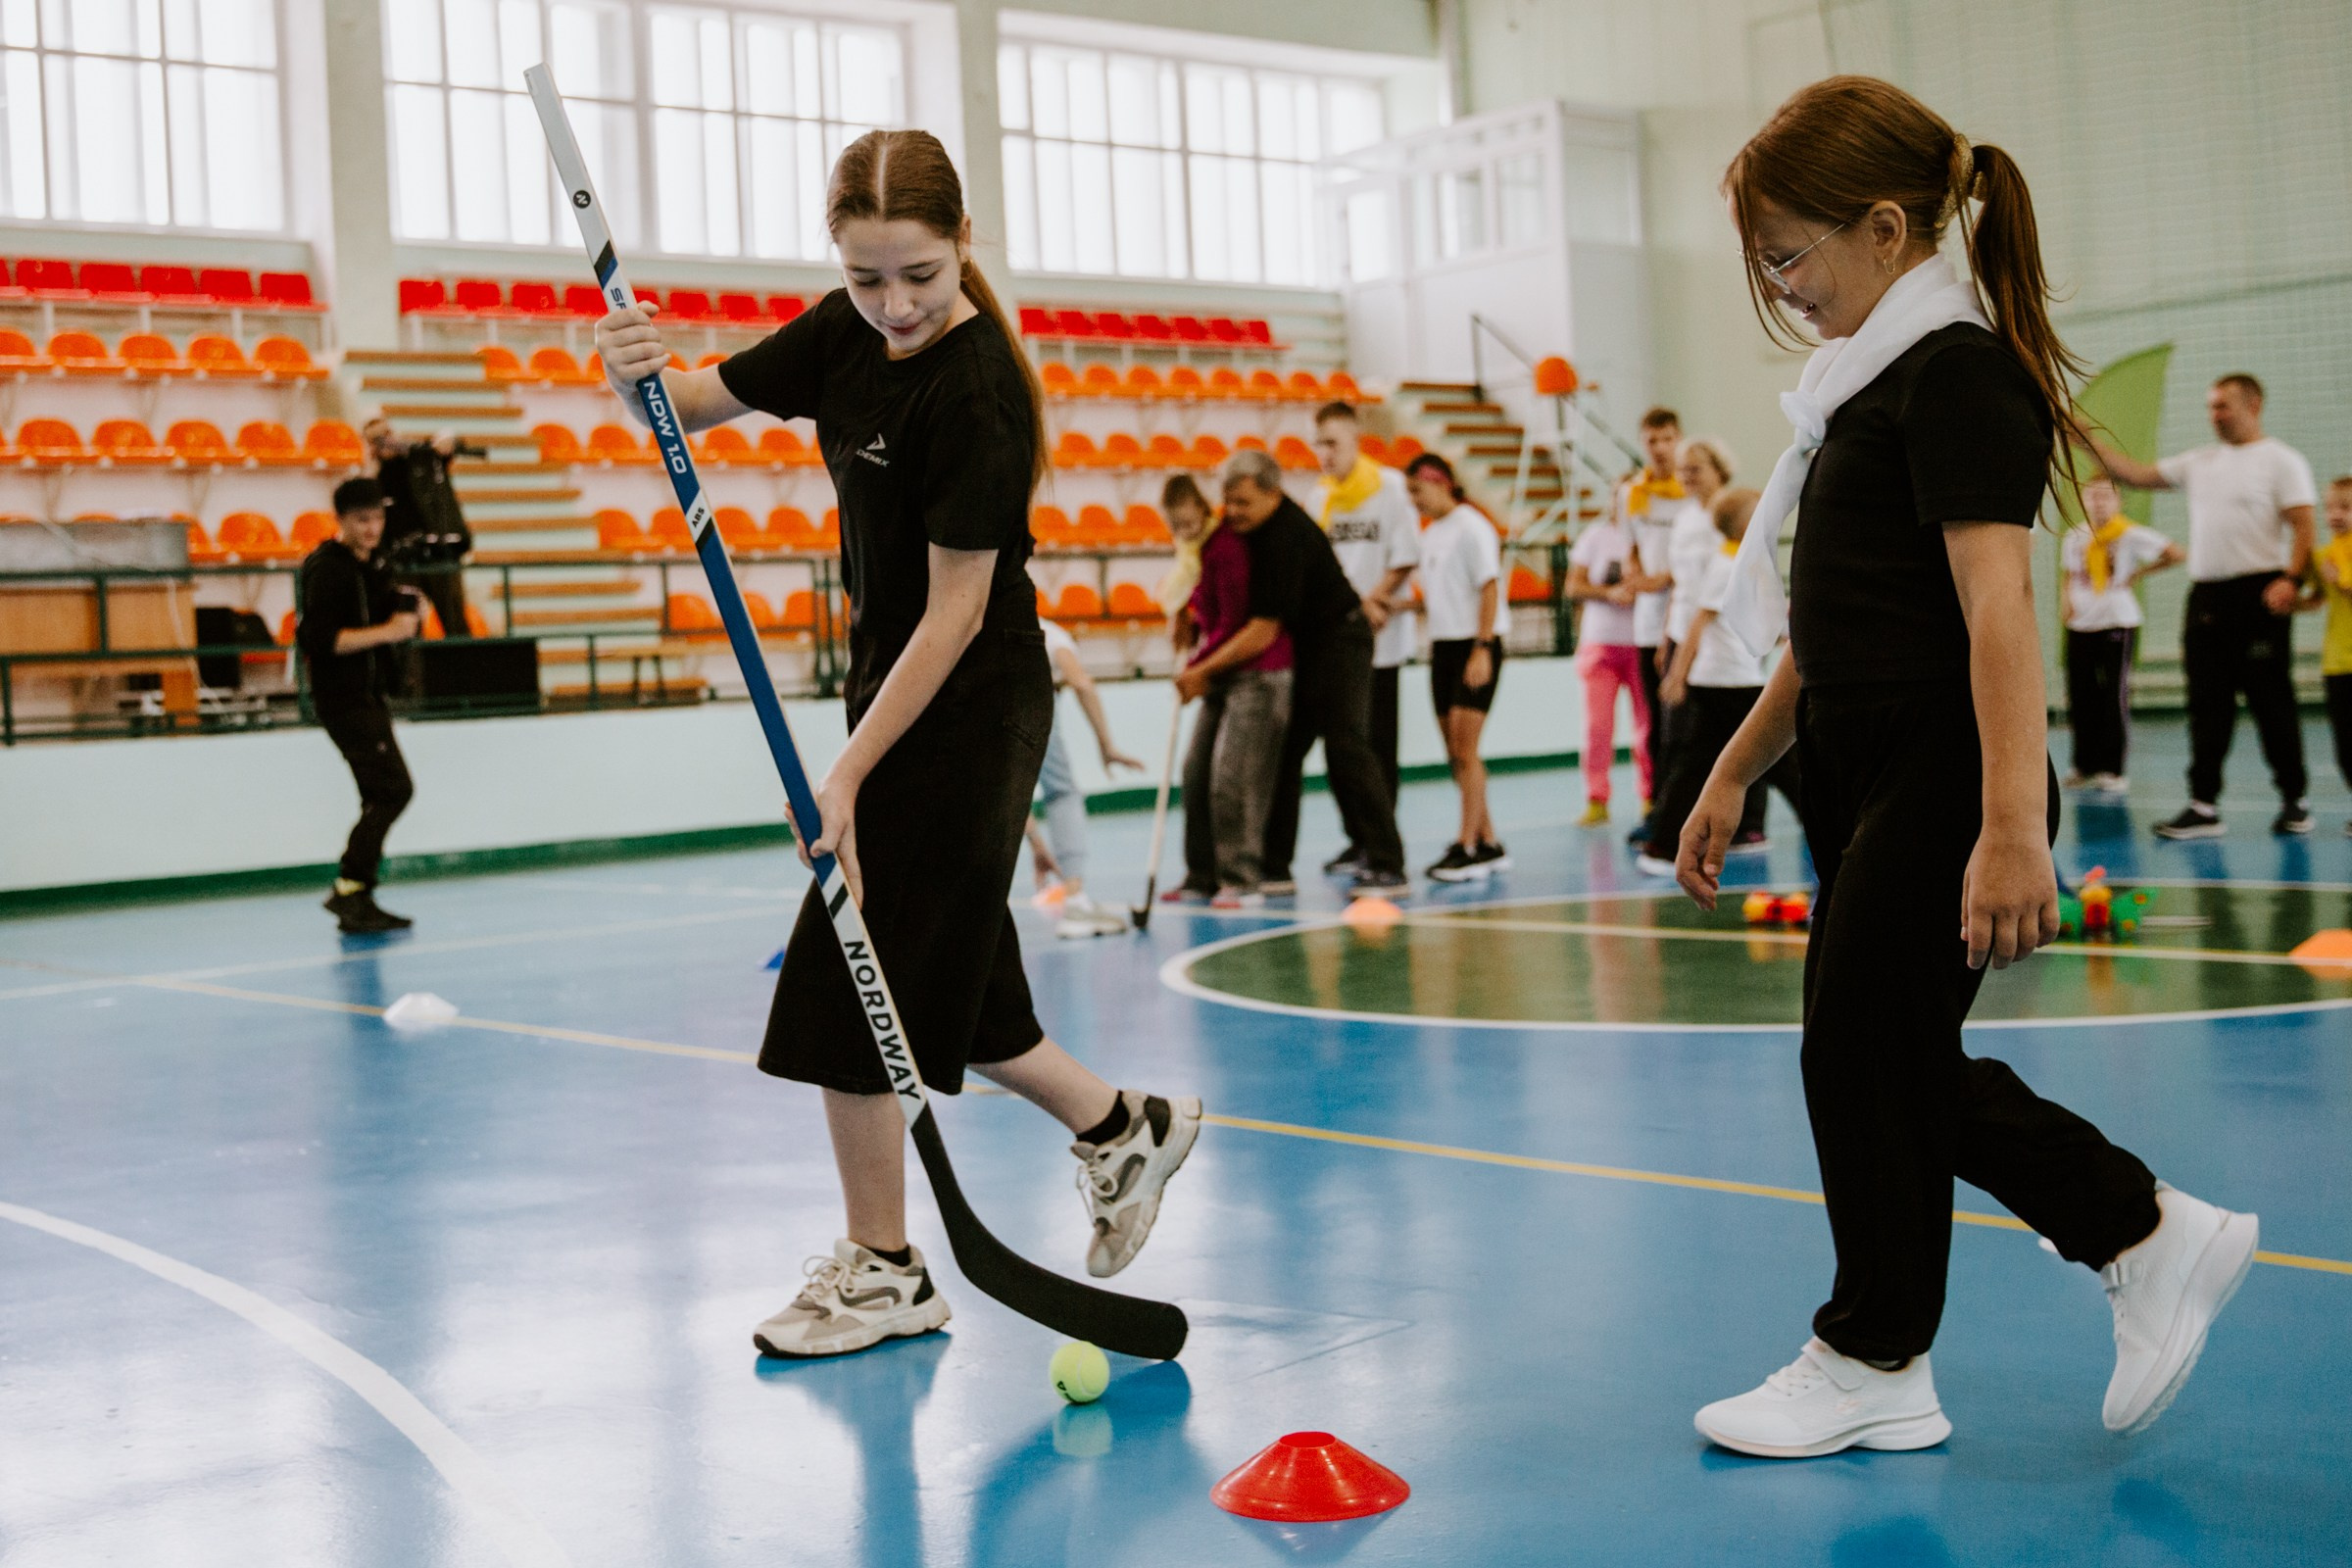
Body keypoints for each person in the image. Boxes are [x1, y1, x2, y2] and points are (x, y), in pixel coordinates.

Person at [1681, 76, 2253, 1459]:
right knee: (1865, 1056)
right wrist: (1737, 769)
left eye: (1789, 256)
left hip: (1951, 772)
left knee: (1868, 1051)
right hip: (1868, 767)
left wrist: (2012, 822)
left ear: (1886, 229)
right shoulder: (1863, 389)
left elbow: (2000, 609)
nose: (1781, 290)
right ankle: (1894, 1348)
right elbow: (1830, 632)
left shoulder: (1960, 375)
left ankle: (2128, 1234)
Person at [595, 128, 1201, 1358]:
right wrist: (629, 368)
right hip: (898, 687)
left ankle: (885, 1270)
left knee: (843, 970)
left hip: (969, 702)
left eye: (919, 274)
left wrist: (848, 774)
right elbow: (692, 405)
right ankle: (1121, 1128)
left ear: (964, 244)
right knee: (956, 989)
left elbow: (961, 612)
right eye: (869, 276)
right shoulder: (843, 334)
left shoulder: (974, 387)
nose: (896, 305)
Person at [2092, 375, 2318, 838]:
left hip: (2259, 593)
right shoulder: (2199, 462)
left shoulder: (2281, 461)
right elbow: (2134, 474)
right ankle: (2203, 806)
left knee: (2271, 701)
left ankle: (2295, 801)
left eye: (2223, 406)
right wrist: (2083, 437)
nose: (2214, 415)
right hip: (2208, 599)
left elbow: (2304, 526)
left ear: (2253, 404)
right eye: (2210, 407)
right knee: (2206, 704)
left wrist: (2291, 580)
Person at [1182, 449, 1408, 899]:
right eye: (1229, 502)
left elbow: (1263, 631)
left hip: (1342, 641)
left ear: (1273, 493)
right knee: (1284, 752)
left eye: (1244, 502)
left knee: (1346, 745)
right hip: (1305, 648)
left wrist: (1202, 670)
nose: (1234, 513)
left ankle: (1387, 861)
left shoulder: (1287, 536)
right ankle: (1274, 865)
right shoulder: (1249, 531)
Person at [1638, 487, 1801, 877]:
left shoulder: (1743, 564)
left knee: (1701, 763)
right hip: (1724, 683)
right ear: (1747, 524)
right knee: (1784, 760)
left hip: (1731, 680)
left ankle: (1662, 843)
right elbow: (1698, 623)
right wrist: (1677, 675)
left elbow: (1759, 627)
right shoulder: (1725, 566)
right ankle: (1662, 844)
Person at [296, 476, 421, 935]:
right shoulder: (329, 569)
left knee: (380, 793)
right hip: (343, 699)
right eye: (362, 520)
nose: (372, 529)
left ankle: (358, 896)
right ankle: (351, 886)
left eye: (378, 519)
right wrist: (391, 631)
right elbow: (323, 640)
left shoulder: (372, 565)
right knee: (394, 790)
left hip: (368, 695)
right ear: (342, 522)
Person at [1170, 471, 1295, 909]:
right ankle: (1200, 874)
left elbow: (1235, 621)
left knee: (1233, 777)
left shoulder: (1228, 545)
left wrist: (1196, 667)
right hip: (1222, 673)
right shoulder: (1206, 550)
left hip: (1260, 672)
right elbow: (1209, 606)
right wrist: (1189, 618)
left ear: (1204, 510)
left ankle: (1241, 878)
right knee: (1195, 772)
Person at [1308, 402, 1420, 876]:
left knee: (1377, 747)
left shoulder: (1390, 488)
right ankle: (1355, 838)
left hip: (1380, 639)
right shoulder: (1320, 498)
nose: (1324, 453)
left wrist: (1370, 604)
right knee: (1340, 748)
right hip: (1337, 639)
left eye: (1332, 442)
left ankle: (1380, 840)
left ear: (1355, 439)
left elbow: (1405, 556)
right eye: (1319, 444)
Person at [1406, 452, 1510, 881]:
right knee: (1455, 753)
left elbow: (1488, 587)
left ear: (1440, 482)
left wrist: (1482, 648)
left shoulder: (1473, 527)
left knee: (1465, 750)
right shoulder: (1433, 534)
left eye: (1418, 490)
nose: (1415, 501)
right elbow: (1436, 597)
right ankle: (1488, 841)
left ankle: (1465, 844)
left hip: (1474, 644)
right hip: (1444, 647)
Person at [2059, 475, 2183, 793]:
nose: (2099, 501)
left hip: (2117, 621)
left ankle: (2113, 769)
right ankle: (2083, 764)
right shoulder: (2074, 536)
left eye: (2106, 496)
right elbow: (2068, 576)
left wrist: (2140, 573)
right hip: (2081, 624)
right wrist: (2066, 603)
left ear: (2118, 502)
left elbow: (2175, 553)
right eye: (2093, 495)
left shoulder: (2129, 534)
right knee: (2081, 693)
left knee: (2113, 694)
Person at [1030, 618, 1145, 937]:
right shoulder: (1051, 633)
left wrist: (1038, 845)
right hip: (1029, 701)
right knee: (1062, 792)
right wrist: (1107, 746)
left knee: (999, 793)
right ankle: (1076, 900)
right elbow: (1081, 683)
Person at [1566, 502, 1653, 826]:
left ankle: (1649, 795)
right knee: (1597, 727)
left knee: (1646, 725)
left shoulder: (1650, 536)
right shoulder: (1595, 536)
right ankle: (1596, 798)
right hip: (1601, 644)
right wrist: (1609, 593)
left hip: (1641, 642)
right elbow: (1573, 586)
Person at [1623, 407, 1686, 835]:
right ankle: (1659, 808)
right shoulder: (1632, 494)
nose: (1659, 448)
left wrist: (1665, 578)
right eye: (1651, 440)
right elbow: (1629, 548)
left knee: (1687, 723)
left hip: (1684, 620)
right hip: (1647, 624)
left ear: (1678, 439)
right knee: (1655, 725)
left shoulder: (1692, 490)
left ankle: (1689, 808)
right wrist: (1636, 576)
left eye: (1666, 439)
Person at [365, 417, 476, 641]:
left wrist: (448, 441)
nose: (386, 442)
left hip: (440, 554)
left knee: (456, 625)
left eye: (387, 434)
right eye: (378, 439)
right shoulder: (375, 483)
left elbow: (449, 443)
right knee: (409, 630)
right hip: (403, 562)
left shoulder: (422, 461)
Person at [2299, 475, 2352, 832]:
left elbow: (2339, 587)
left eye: (2345, 507)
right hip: (2338, 662)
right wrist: (2288, 604)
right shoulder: (2321, 556)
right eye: (2330, 507)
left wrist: (2342, 583)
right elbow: (2317, 599)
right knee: (2346, 745)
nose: (2335, 514)